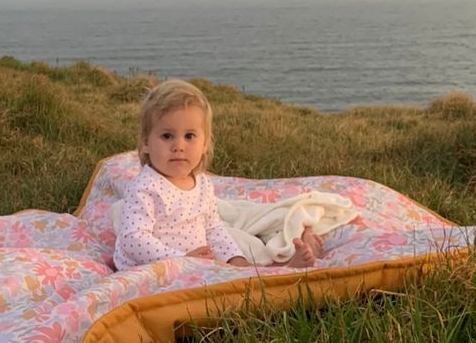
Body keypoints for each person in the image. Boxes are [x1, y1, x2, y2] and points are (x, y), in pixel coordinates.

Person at [113, 79, 322, 272]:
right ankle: (276, 270)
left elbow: (213, 229)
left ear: (204, 144)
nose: (178, 146)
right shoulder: (145, 188)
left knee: (240, 246)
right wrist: (183, 259)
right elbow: (134, 241)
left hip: (200, 261)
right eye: (167, 136)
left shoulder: (202, 183)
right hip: (157, 268)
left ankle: (280, 266)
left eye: (189, 136)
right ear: (146, 143)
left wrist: (235, 260)